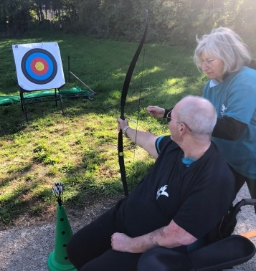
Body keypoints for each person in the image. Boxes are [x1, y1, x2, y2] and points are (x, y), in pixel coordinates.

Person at [147, 27, 256, 271]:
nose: (204, 67)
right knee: (211, 208)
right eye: (201, 61)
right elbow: (203, 116)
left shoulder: (247, 83)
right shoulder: (213, 83)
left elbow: (232, 129)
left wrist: (188, 126)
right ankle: (215, 256)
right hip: (231, 157)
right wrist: (167, 113)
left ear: (228, 58)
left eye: (210, 61)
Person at [67, 95, 235, 271]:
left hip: (149, 248)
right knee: (76, 249)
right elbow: (149, 140)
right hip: (123, 217)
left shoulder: (214, 181)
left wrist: (129, 244)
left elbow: (178, 236)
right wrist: (126, 130)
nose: (167, 121)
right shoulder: (175, 146)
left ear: (181, 128)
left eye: (170, 118)